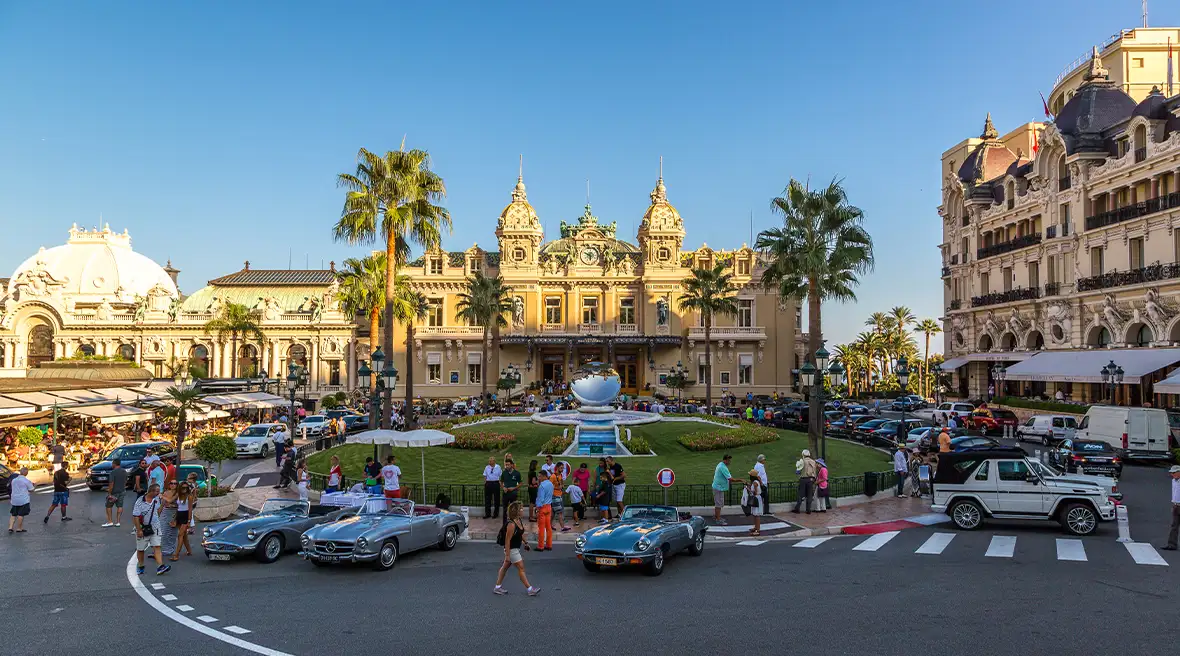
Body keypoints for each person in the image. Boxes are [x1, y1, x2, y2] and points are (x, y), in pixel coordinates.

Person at [493, 501, 540, 596]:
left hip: (515, 549)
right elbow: (507, 540)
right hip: (511, 550)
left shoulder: (519, 520)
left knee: (504, 568)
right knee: (521, 568)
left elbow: (519, 534)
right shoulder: (511, 524)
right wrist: (507, 555)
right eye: (521, 509)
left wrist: (525, 543)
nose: (523, 510)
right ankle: (530, 589)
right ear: (516, 511)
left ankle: (497, 587)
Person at [133, 482, 169, 575]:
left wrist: (162, 505)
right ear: (151, 491)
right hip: (143, 528)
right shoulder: (140, 501)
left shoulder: (157, 500)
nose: (158, 493)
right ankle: (140, 565)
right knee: (141, 549)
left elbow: (158, 513)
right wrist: (139, 530)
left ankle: (160, 566)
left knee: (157, 546)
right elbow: (136, 516)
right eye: (157, 491)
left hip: (155, 526)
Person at [711, 454, 742, 525]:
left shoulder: (721, 464)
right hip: (718, 488)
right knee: (719, 504)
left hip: (718, 487)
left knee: (719, 503)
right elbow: (730, 479)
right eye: (728, 460)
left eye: (730, 460)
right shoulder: (723, 467)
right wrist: (740, 480)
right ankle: (718, 520)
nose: (729, 461)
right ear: (725, 460)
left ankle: (717, 517)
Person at [170, 481, 196, 561]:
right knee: (184, 536)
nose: (184, 489)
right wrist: (174, 519)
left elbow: (190, 509)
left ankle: (176, 554)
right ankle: (189, 550)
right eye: (183, 487)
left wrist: (189, 521)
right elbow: (177, 507)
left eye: (186, 488)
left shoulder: (189, 496)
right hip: (179, 515)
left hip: (185, 516)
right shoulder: (178, 495)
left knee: (180, 535)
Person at [7, 467, 34, 534]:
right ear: (26, 473)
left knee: (13, 514)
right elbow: (31, 489)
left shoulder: (14, 480)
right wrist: (34, 485)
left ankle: (10, 527)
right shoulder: (26, 481)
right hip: (23, 499)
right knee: (21, 514)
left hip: (14, 499)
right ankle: (19, 528)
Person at [103, 458, 128, 527]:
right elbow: (126, 481)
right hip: (122, 491)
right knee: (120, 506)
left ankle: (110, 521)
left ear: (114, 464)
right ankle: (118, 522)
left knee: (108, 506)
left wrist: (109, 493)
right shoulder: (124, 471)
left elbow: (111, 484)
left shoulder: (113, 472)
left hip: (114, 492)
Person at [535, 472, 554, 551]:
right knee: (548, 527)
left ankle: (540, 546)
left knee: (541, 528)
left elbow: (541, 499)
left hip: (542, 507)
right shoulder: (551, 484)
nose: (538, 478)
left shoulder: (542, 486)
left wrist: (537, 508)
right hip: (549, 506)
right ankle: (549, 545)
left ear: (544, 476)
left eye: (539, 476)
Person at [1163, 465, 1180, 551]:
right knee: (1174, 525)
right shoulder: (1174, 481)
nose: (1172, 475)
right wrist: (1174, 503)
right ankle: (1172, 544)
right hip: (1176, 505)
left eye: (1174, 473)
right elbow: (1175, 493)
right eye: (1171, 473)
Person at [500, 459, 521, 526]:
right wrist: (503, 487)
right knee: (505, 510)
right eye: (506, 465)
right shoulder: (504, 473)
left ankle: (514, 524)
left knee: (513, 509)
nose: (507, 466)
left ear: (512, 465)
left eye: (508, 465)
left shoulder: (517, 473)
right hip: (505, 494)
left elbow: (520, 483)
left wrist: (514, 488)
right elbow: (501, 482)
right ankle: (504, 524)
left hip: (513, 494)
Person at [744, 470, 763, 535]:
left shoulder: (755, 483)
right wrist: (747, 485)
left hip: (756, 498)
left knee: (756, 515)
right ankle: (756, 527)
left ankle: (757, 530)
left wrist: (748, 489)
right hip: (757, 498)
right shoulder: (754, 482)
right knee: (755, 514)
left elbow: (755, 492)